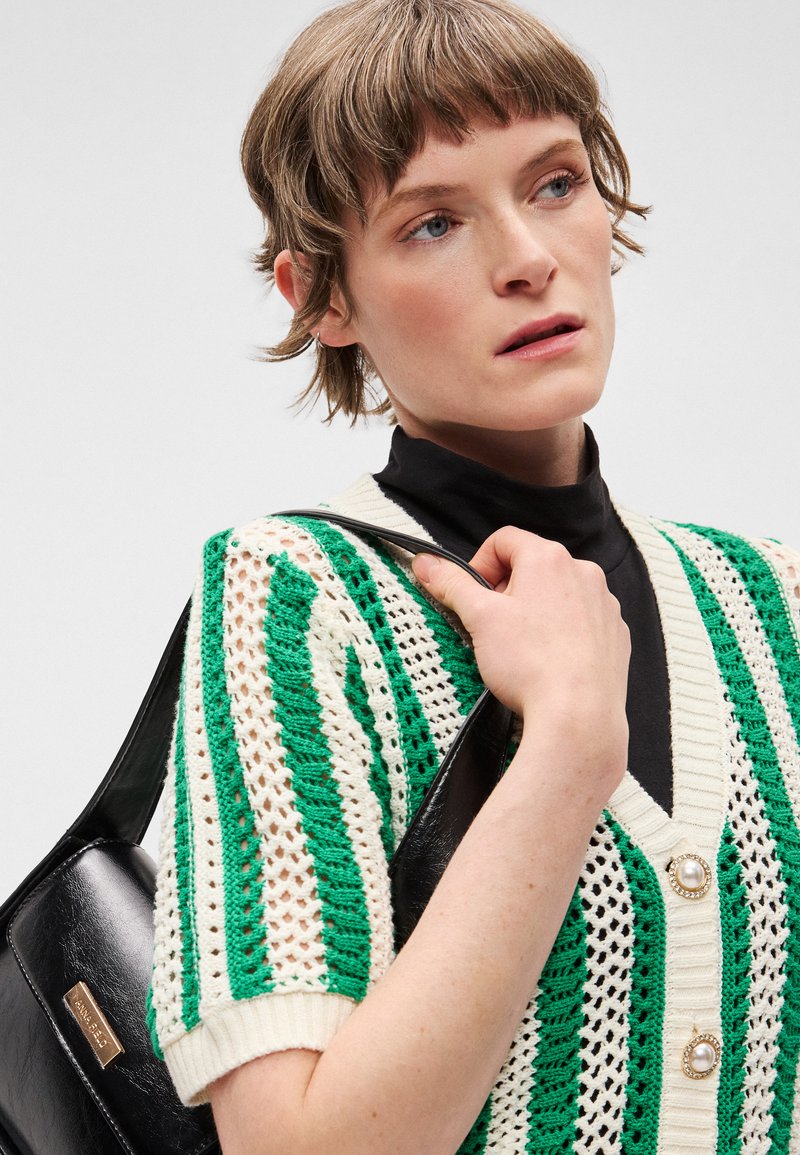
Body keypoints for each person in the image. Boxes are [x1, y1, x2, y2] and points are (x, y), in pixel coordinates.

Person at [147, 0, 800, 1151]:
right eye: (433, 223)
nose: (528, 259)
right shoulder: (295, 598)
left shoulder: (767, 600)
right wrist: (566, 746)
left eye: (554, 183)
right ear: (320, 296)